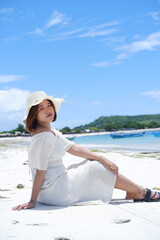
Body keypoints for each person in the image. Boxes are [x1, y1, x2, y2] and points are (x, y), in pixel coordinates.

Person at [12, 91, 160, 210]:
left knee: (95, 162)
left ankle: (134, 190)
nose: (48, 110)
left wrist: (102, 157)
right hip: (55, 191)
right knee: (96, 167)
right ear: (34, 115)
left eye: (49, 105)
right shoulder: (43, 136)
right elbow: (40, 170)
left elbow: (73, 147)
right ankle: (140, 192)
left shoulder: (51, 132)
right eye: (41, 108)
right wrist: (32, 201)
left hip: (52, 187)